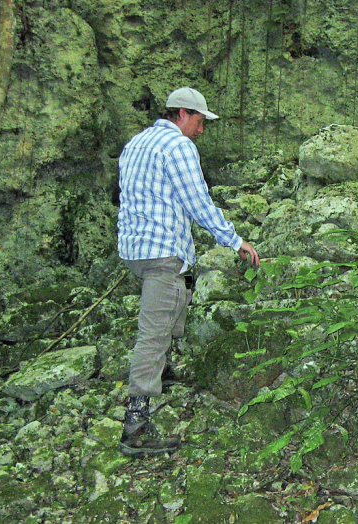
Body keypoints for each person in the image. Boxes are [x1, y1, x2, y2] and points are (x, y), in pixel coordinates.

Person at [116, 87, 260, 457]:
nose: (200, 130)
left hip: (135, 250)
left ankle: (163, 369)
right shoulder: (178, 147)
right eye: (198, 121)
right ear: (182, 114)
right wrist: (234, 240)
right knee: (154, 331)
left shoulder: (136, 143)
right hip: (161, 252)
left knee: (178, 291)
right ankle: (136, 424)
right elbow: (197, 200)